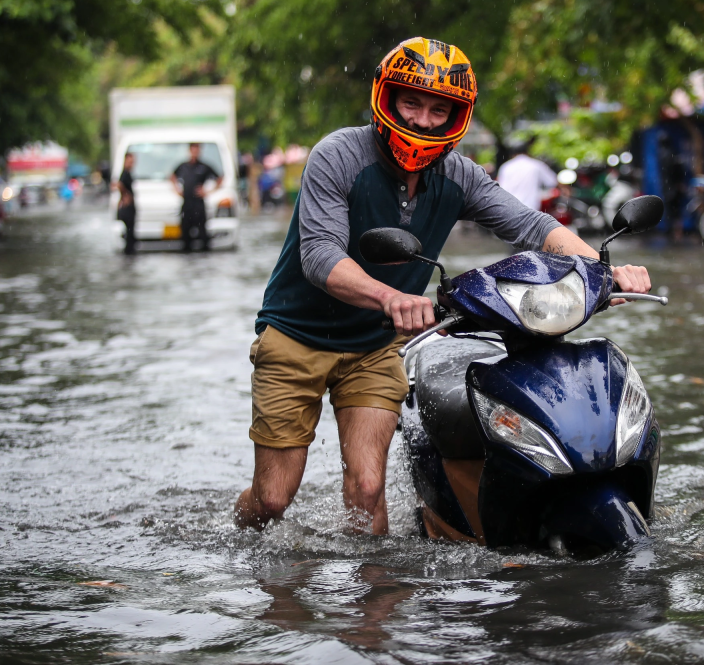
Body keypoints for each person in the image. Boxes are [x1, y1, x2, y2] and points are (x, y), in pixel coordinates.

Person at [233, 37, 652, 533]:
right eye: (411, 102)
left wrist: (603, 270)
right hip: (296, 336)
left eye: (439, 109)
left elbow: (532, 227)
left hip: (373, 345)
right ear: (386, 99)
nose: (422, 120)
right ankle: (239, 533)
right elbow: (320, 255)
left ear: (457, 116)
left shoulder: (460, 174)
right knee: (274, 498)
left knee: (367, 490)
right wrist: (390, 297)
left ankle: (371, 603)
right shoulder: (337, 155)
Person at [170, 143, 222, 252]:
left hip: (198, 204)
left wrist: (207, 191)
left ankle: (204, 255)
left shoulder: (203, 167)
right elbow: (172, 176)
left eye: (197, 150)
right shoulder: (183, 166)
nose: (195, 152)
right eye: (193, 150)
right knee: (185, 233)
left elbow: (220, 178)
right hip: (187, 204)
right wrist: (176, 189)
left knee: (202, 233)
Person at [496, 137, 559, 211]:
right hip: (530, 210)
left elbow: (500, 187)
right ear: (527, 151)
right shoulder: (536, 165)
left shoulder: (505, 167)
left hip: (508, 210)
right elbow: (553, 182)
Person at [113, 152, 137, 255]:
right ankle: (128, 252)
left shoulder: (128, 173)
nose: (132, 164)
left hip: (130, 207)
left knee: (130, 231)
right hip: (127, 208)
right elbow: (118, 184)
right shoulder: (125, 173)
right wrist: (126, 195)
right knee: (129, 231)